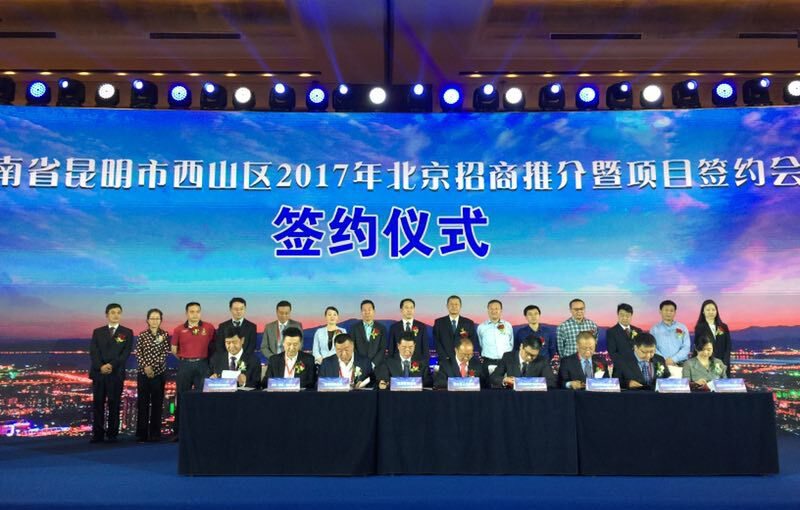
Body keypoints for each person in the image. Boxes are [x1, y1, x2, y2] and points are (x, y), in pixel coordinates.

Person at [89, 303, 133, 443]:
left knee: (114, 404)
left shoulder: (127, 332)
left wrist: (111, 365)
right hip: (99, 373)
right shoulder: (98, 332)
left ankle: (112, 434)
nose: (116, 315)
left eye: (118, 312)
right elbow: (94, 352)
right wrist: (101, 366)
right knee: (98, 404)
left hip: (116, 374)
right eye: (113, 312)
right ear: (107, 314)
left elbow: (125, 353)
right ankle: (98, 434)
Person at [171, 302, 215, 438]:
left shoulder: (209, 327)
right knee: (182, 398)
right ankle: (179, 433)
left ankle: (202, 432)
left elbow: (214, 347)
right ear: (186, 313)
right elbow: (174, 349)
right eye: (192, 312)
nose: (195, 314)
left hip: (203, 365)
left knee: (203, 398)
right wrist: (186, 358)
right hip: (185, 366)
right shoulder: (179, 329)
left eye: (197, 311)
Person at [135, 308, 170, 443]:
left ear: (161, 320)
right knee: (142, 404)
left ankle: (155, 433)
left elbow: (164, 353)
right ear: (147, 320)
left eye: (157, 318)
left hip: (159, 373)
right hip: (143, 374)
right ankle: (141, 434)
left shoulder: (165, 335)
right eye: (152, 318)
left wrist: (153, 367)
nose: (155, 321)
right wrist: (146, 367)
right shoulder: (142, 335)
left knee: (157, 404)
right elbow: (139, 353)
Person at [490, 335, 556, 389]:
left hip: (533, 396)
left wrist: (526, 383)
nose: (529, 357)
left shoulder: (542, 361)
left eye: (533, 355)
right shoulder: (508, 357)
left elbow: (551, 382)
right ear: (521, 346)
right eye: (527, 353)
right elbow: (493, 377)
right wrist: (505, 380)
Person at [432, 295, 479, 363]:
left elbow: (472, 341)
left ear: (460, 306)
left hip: (463, 360)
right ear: (447, 306)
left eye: (456, 304)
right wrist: (444, 356)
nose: (454, 306)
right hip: (444, 360)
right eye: (451, 304)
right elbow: (436, 341)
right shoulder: (439, 322)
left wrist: (464, 356)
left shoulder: (468, 323)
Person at [477, 299, 514, 376]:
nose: (494, 311)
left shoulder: (508, 325)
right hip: (488, 362)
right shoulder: (481, 327)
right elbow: (480, 344)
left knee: (506, 382)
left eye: (496, 308)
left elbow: (511, 343)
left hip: (506, 362)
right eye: (491, 309)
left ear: (501, 310)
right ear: (488, 310)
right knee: (488, 382)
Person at [348, 299, 388, 369]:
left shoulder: (381, 328)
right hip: (359, 366)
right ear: (361, 312)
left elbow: (383, 348)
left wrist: (373, 363)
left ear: (374, 311)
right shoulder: (354, 328)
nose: (367, 312)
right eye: (364, 310)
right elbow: (352, 347)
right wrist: (361, 363)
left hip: (378, 365)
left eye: (369, 310)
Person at [693, 299, 732, 370]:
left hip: (723, 364)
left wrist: (724, 363)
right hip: (707, 365)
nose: (711, 312)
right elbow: (698, 347)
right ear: (703, 312)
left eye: (713, 310)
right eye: (708, 310)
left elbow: (728, 346)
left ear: (716, 311)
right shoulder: (699, 327)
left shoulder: (723, 326)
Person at [650, 300, 690, 367]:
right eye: (666, 310)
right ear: (660, 311)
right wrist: (664, 359)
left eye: (671, 311)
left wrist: (674, 359)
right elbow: (652, 347)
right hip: (660, 364)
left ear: (675, 312)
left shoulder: (682, 327)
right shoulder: (654, 329)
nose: (668, 313)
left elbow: (686, 347)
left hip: (680, 363)